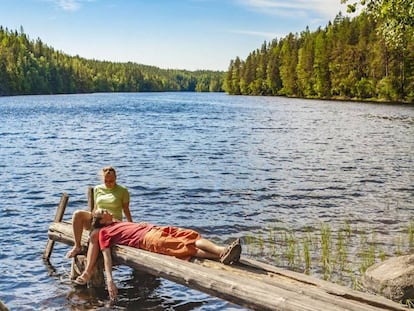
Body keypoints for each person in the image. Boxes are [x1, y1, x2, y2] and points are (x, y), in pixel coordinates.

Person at [83, 208, 242, 300]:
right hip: (147, 239)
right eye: (103, 211)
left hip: (154, 229)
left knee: (191, 235)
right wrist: (110, 280)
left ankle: (221, 252)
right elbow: (106, 256)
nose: (106, 209)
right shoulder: (103, 233)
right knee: (188, 247)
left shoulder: (117, 222)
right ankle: (222, 253)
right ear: (102, 221)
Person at [66, 166, 133, 284]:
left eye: (111, 181)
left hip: (111, 221)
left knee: (95, 235)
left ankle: (87, 272)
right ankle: (77, 246)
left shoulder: (122, 191)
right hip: (98, 218)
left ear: (116, 178)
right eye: (106, 181)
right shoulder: (97, 189)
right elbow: (94, 208)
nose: (109, 183)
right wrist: (93, 218)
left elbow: (126, 209)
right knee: (77, 214)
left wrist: (130, 225)